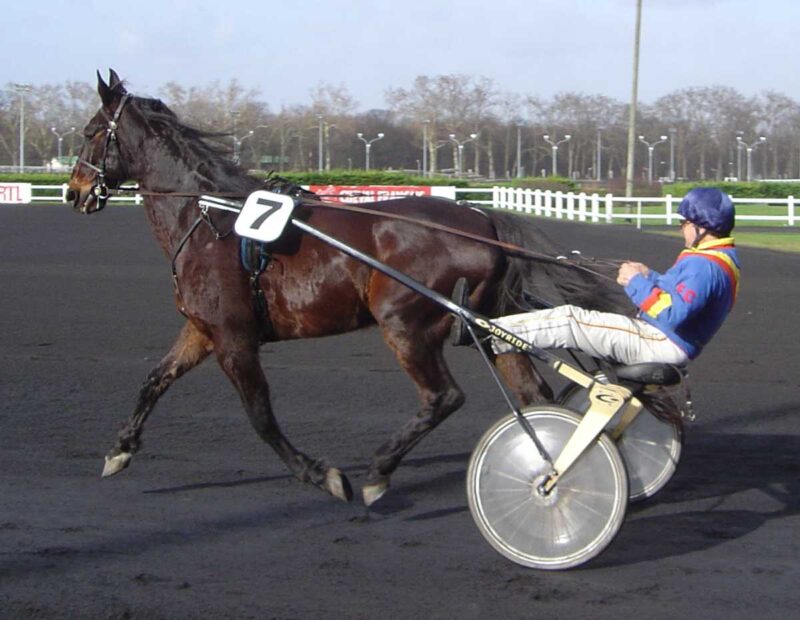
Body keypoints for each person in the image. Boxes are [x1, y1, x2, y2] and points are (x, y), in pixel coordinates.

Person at [491, 187, 741, 367]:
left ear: (702, 227)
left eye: (684, 222)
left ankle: (491, 334)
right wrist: (648, 275)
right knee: (573, 317)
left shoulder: (704, 265)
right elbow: (677, 295)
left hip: (661, 341)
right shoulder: (716, 258)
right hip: (666, 340)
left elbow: (673, 313)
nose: (681, 228)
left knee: (570, 319)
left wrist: (636, 282)